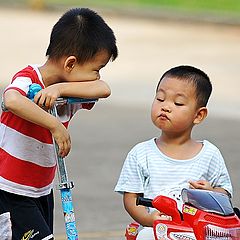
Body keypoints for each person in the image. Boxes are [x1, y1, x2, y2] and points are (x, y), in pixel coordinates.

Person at [0, 7, 118, 240]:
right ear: (71, 63)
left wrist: (59, 88)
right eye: (96, 69)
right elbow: (11, 99)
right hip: (10, 189)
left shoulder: (70, 90)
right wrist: (54, 126)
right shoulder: (29, 77)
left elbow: (104, 89)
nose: (96, 76)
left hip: (41, 190)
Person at [114, 65, 232, 240]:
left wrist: (211, 192)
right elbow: (131, 199)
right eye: (160, 99)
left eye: (178, 103)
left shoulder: (209, 154)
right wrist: (148, 219)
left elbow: (225, 196)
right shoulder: (141, 154)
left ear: (198, 115)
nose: (166, 107)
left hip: (196, 231)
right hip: (156, 230)